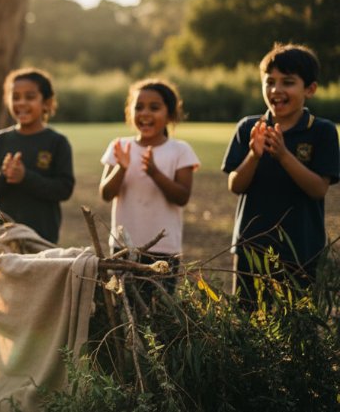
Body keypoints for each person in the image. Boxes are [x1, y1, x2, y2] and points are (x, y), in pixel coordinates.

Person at [223, 43, 339, 305]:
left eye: (288, 82)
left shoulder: (322, 131)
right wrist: (254, 154)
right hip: (251, 248)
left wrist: (284, 156)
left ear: (309, 89)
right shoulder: (248, 128)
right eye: (270, 82)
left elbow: (318, 189)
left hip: (302, 250)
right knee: (249, 323)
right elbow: (236, 185)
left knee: (297, 326)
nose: (276, 90)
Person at [99, 79, 199, 296]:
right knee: (123, 308)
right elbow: (106, 193)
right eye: (138, 107)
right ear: (130, 112)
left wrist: (154, 172)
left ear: (170, 114)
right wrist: (122, 168)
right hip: (123, 248)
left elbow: (181, 197)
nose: (145, 113)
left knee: (158, 310)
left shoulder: (180, 150)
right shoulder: (119, 146)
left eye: (154, 107)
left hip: (163, 250)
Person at [0, 68, 75, 243]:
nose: (21, 103)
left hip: (42, 235)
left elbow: (64, 189)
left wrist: (26, 177)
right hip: (2, 233)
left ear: (46, 102)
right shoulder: (0, 140)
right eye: (15, 97)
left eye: (30, 97)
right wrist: (3, 174)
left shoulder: (57, 142)